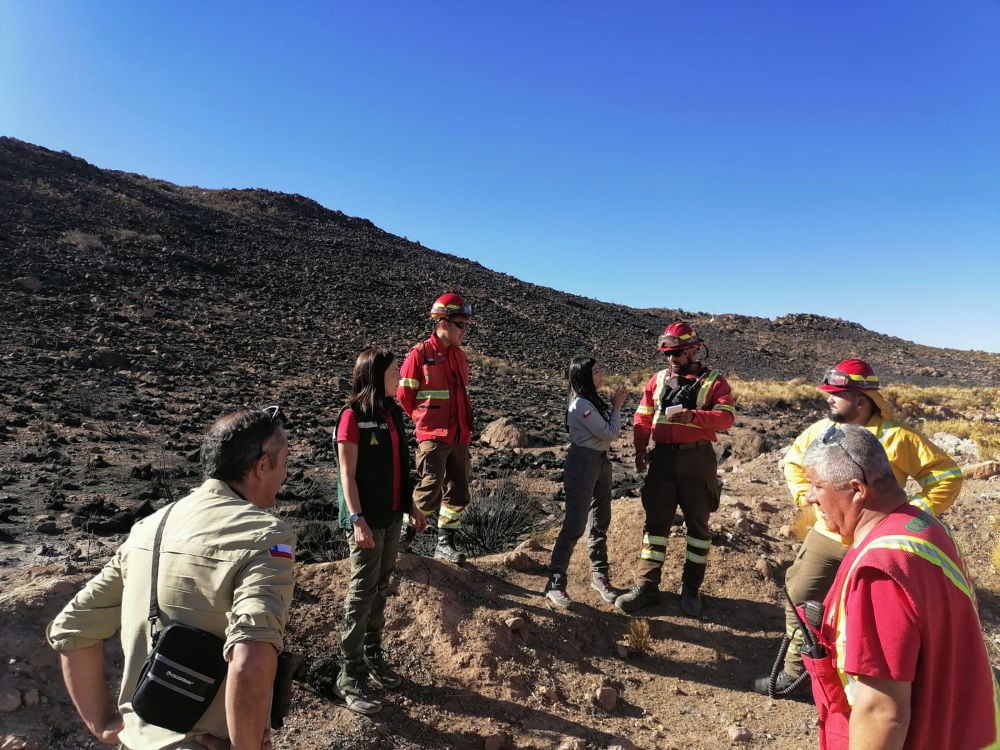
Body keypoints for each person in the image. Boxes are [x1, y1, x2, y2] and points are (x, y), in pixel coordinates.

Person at [46, 407, 296, 750]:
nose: (285, 475)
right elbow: (251, 661)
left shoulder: (149, 528)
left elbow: (72, 628)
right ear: (262, 466)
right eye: (284, 462)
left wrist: (104, 725)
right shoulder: (266, 535)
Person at [754, 359, 963, 698]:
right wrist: (805, 496)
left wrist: (911, 514)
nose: (828, 399)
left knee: (876, 617)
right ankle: (797, 675)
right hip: (828, 537)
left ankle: (872, 686)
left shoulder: (898, 438)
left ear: (863, 398)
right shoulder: (820, 432)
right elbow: (793, 461)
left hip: (879, 543)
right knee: (801, 600)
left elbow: (946, 476)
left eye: (838, 394)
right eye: (829, 393)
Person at [797, 425, 998, 749]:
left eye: (817, 486)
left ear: (857, 489)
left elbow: (882, 712)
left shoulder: (879, 573)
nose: (808, 497)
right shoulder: (922, 527)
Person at [615, 322, 735, 616]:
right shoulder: (656, 380)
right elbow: (642, 417)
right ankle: (646, 588)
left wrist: (692, 417)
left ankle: (691, 589)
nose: (672, 359)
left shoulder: (715, 381)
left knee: (697, 526)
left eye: (678, 353)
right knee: (655, 526)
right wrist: (641, 449)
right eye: (668, 354)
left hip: (698, 460)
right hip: (662, 459)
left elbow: (726, 417)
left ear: (694, 348)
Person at [334, 348, 426, 715]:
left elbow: (400, 467)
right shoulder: (351, 417)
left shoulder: (392, 415)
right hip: (366, 521)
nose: (400, 378)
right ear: (374, 375)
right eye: (393, 373)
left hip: (390, 517)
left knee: (382, 585)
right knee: (361, 592)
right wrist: (357, 520)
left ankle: (373, 654)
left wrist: (411, 505)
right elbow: (347, 475)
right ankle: (348, 672)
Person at [544, 357, 628, 608]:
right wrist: (616, 407)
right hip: (583, 462)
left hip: (600, 461)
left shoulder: (592, 400)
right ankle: (555, 584)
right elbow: (610, 433)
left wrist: (613, 408)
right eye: (596, 371)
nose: (602, 374)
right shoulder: (581, 404)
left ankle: (599, 576)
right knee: (575, 524)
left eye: (602, 369)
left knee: (600, 520)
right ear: (583, 376)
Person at [397, 292, 475, 563]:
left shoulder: (460, 357)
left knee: (459, 490)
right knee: (430, 484)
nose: (464, 331)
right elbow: (405, 396)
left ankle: (445, 543)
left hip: (459, 435)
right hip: (433, 434)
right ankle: (404, 536)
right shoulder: (419, 354)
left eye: (466, 326)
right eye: (460, 325)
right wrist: (424, 421)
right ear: (442, 322)